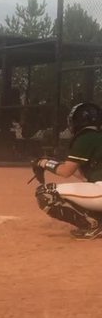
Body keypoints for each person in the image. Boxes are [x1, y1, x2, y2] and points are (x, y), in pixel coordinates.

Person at [33, 102, 102, 240]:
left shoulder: (87, 137)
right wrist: (55, 163)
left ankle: (93, 226)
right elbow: (83, 176)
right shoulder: (97, 137)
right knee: (89, 188)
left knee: (46, 193)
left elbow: (66, 172)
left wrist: (43, 163)